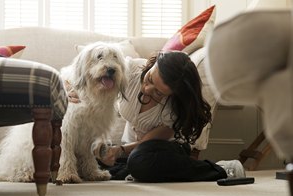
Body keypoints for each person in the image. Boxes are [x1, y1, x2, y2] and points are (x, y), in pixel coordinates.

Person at [67, 51, 246, 182]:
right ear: (152, 66)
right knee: (98, 160)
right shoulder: (130, 70)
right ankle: (137, 171)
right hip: (130, 151)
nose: (147, 89)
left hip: (160, 150)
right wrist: (68, 89)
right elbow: (82, 76)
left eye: (159, 93)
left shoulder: (173, 109)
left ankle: (221, 169)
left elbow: (146, 142)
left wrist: (120, 151)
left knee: (140, 161)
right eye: (150, 79)